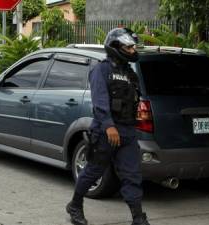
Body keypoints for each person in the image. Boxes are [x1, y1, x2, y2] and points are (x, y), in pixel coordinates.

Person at [65, 28, 150, 225]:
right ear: (115, 47)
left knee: (132, 175)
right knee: (94, 171)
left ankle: (138, 217)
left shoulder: (130, 74)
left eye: (133, 46)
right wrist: (109, 126)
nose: (132, 49)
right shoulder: (101, 70)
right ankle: (75, 205)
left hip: (128, 132)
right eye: (128, 46)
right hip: (106, 131)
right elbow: (100, 101)